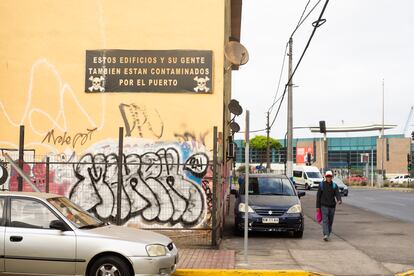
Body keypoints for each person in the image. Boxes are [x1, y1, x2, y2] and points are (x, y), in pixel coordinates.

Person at [316, 170, 342, 241]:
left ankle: (328, 233)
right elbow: (318, 196)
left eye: (330, 177)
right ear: (325, 177)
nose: (329, 178)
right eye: (327, 177)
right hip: (323, 206)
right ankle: (326, 235)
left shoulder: (334, 186)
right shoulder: (321, 185)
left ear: (332, 177)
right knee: (325, 221)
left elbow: (337, 194)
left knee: (330, 221)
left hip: (332, 207)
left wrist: (339, 200)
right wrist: (317, 207)